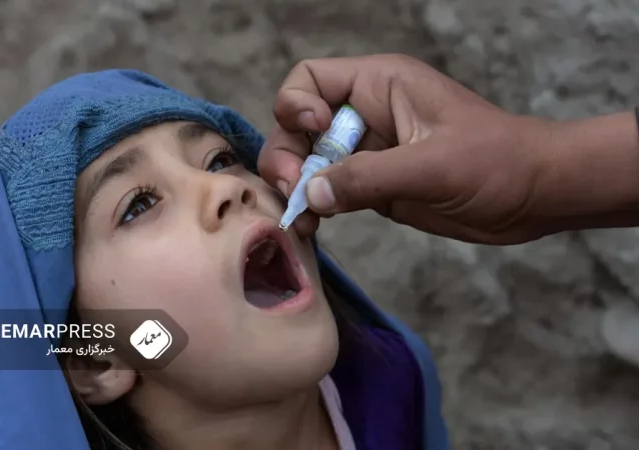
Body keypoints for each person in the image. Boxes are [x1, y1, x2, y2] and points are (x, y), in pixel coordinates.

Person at [0, 70, 448, 449]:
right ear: (96, 357)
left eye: (220, 159)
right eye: (139, 205)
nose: (225, 187)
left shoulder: (393, 381)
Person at [257, 53, 639, 367]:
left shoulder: (399, 378)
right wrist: (537, 177)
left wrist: (537, 176)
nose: (232, 191)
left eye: (226, 162)